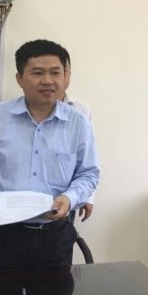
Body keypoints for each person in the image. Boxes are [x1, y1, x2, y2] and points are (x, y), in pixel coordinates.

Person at [0, 39, 99, 273]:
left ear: (65, 77)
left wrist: (69, 198)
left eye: (55, 73)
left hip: (53, 235)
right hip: (1, 233)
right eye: (38, 73)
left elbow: (88, 174)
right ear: (19, 78)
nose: (48, 80)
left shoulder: (78, 122)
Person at [57, 49, 94, 222]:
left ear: (68, 75)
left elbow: (87, 157)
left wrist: (88, 197)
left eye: (63, 72)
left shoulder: (81, 111)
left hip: (68, 195)